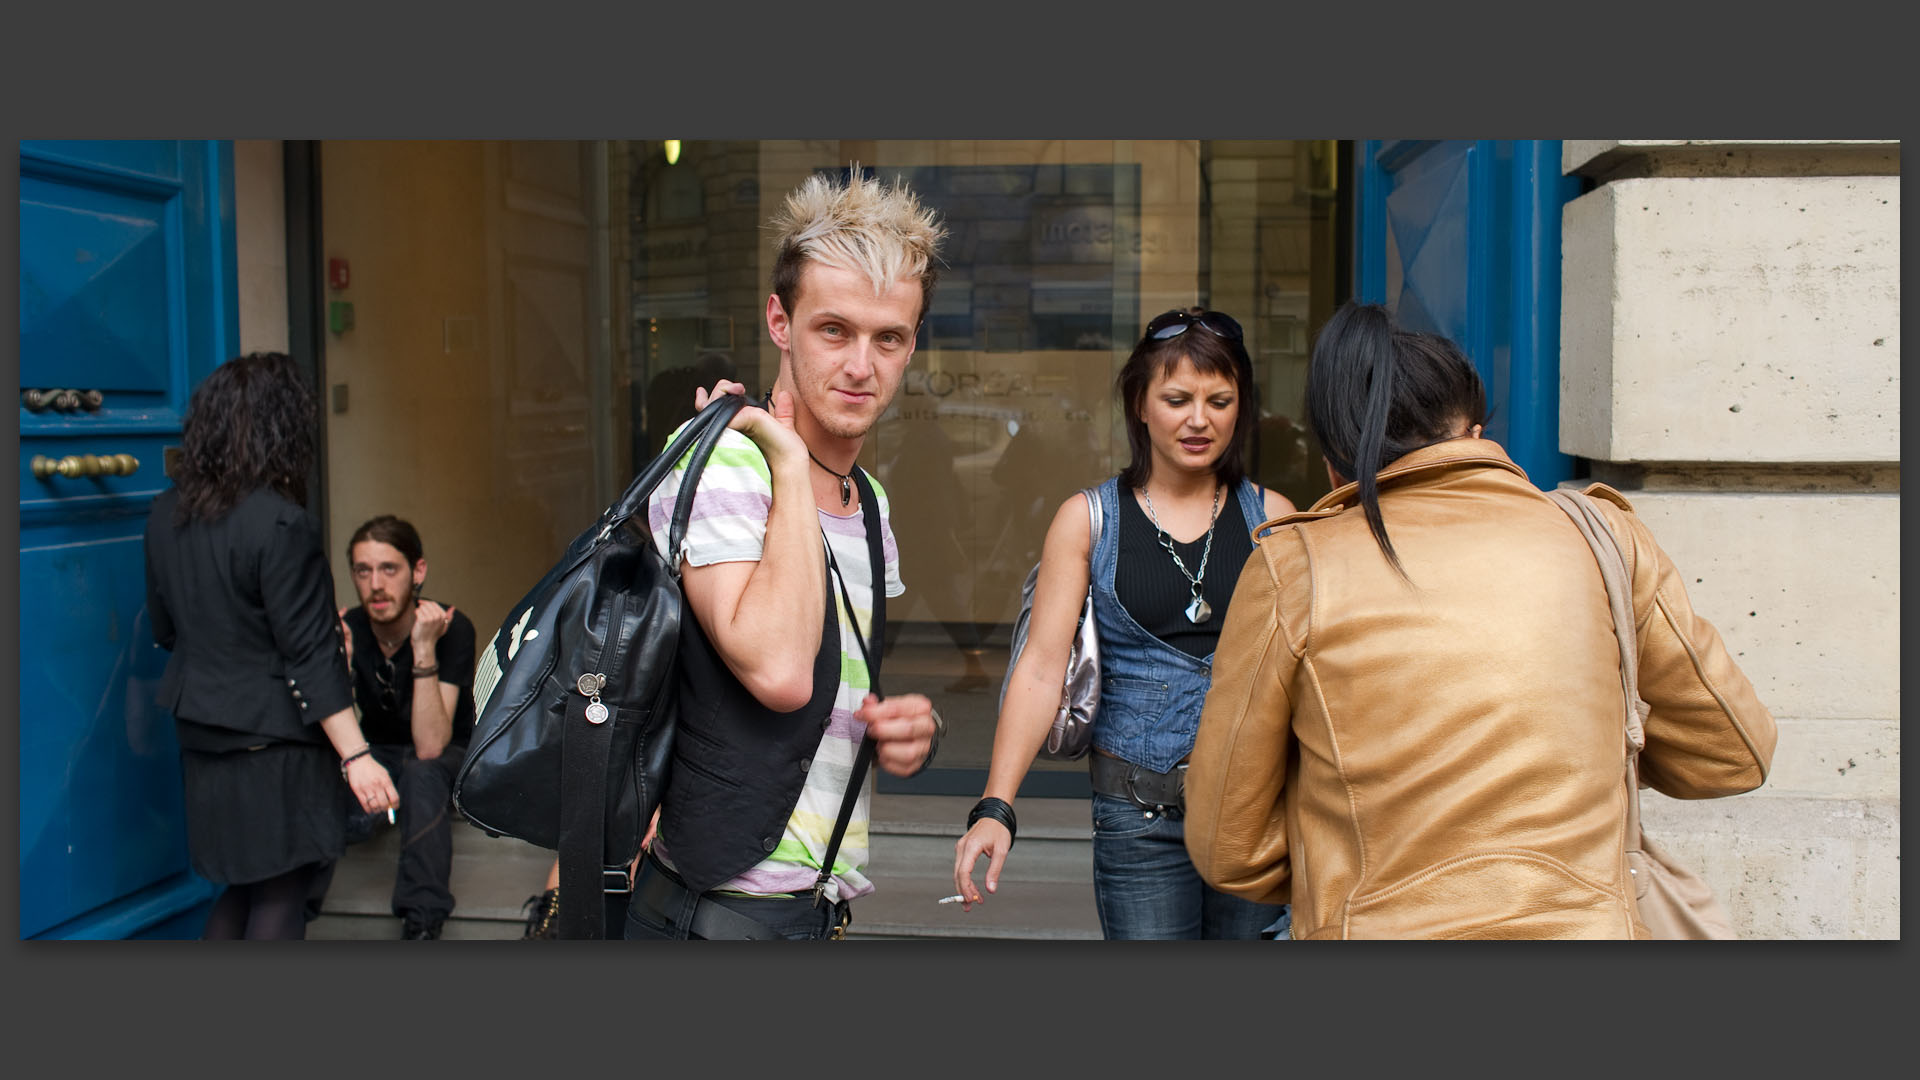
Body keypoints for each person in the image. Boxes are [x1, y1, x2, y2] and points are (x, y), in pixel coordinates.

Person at [1183, 301, 1779, 939]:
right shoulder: (1600, 535)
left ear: (1336, 465)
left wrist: (1350, 859)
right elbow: (1733, 754)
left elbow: (1227, 844)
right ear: (1474, 434)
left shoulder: (1294, 566)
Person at [620, 169, 947, 940]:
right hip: (715, 910)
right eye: (834, 330)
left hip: (813, 906)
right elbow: (777, 671)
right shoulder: (726, 462)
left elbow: (829, 694)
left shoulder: (870, 501)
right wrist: (791, 462)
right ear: (779, 321)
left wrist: (904, 730)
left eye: (888, 338)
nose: (862, 366)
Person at [951, 307, 1296, 939]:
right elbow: (1040, 668)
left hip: (1255, 815)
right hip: (1138, 819)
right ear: (1140, 403)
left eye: (1220, 400)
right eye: (1177, 398)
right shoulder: (1088, 520)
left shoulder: (1272, 518)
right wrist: (996, 806)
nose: (1200, 419)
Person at [144, 352, 399, 940]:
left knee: (244, 887)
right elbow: (309, 654)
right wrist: (356, 756)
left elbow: (165, 629)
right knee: (283, 892)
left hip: (202, 731)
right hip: (275, 738)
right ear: (281, 428)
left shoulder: (164, 513)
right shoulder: (282, 523)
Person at [305, 515, 476, 940]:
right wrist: (340, 664)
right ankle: (298, 905)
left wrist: (422, 650)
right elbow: (340, 728)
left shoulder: (450, 628)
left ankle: (422, 922)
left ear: (417, 571)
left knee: (422, 772)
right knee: (320, 767)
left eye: (389, 569)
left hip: (446, 757)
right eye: (363, 571)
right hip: (378, 751)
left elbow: (431, 745)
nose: (375, 585)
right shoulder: (352, 629)